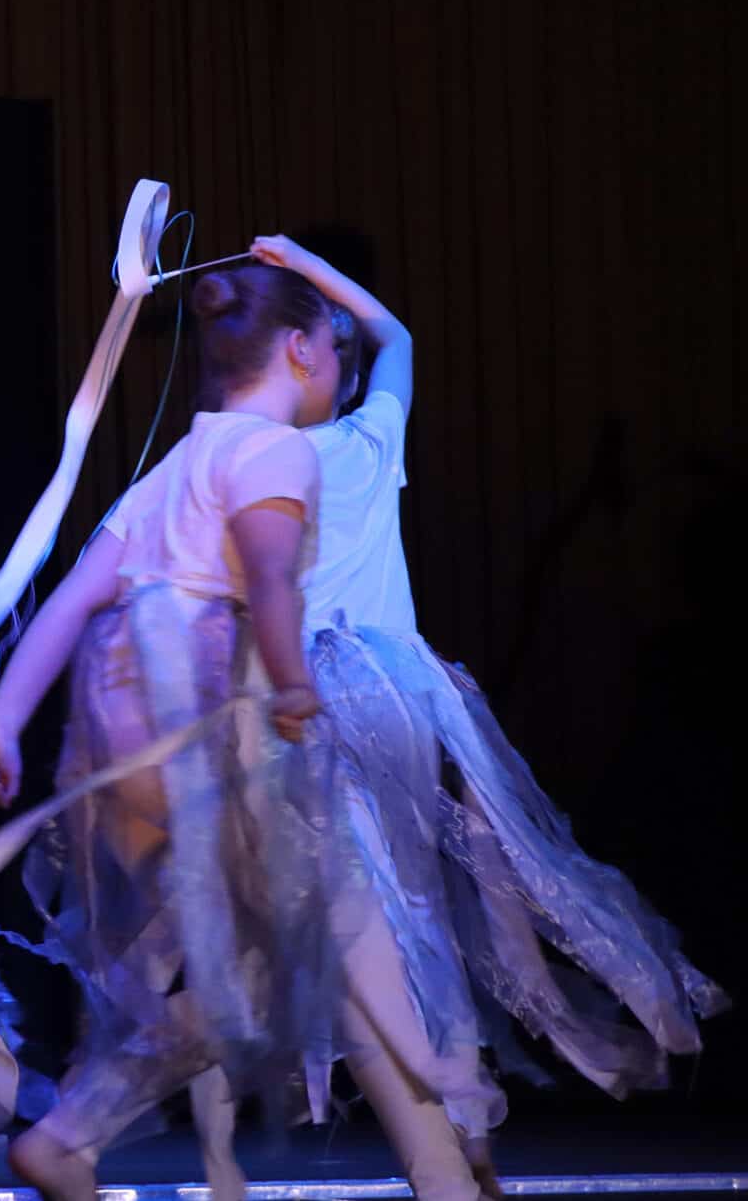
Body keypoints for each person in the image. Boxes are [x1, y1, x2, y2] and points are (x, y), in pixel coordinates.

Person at [251, 234, 727, 1195]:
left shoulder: (251, 463)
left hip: (312, 711)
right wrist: (303, 261)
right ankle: (460, 1129)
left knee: (376, 917)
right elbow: (396, 334)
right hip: (399, 706)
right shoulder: (368, 440)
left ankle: (443, 1120)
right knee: (419, 905)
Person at [0, 262, 346, 1200]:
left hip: (113, 730)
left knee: (184, 950)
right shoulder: (276, 451)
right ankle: (71, 1131)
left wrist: (2, 725)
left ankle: (74, 1132)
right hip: (190, 714)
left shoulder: (176, 467)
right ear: (300, 350)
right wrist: (294, 685)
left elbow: (71, 600)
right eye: (337, 348)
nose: (341, 367)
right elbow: (270, 579)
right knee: (284, 962)